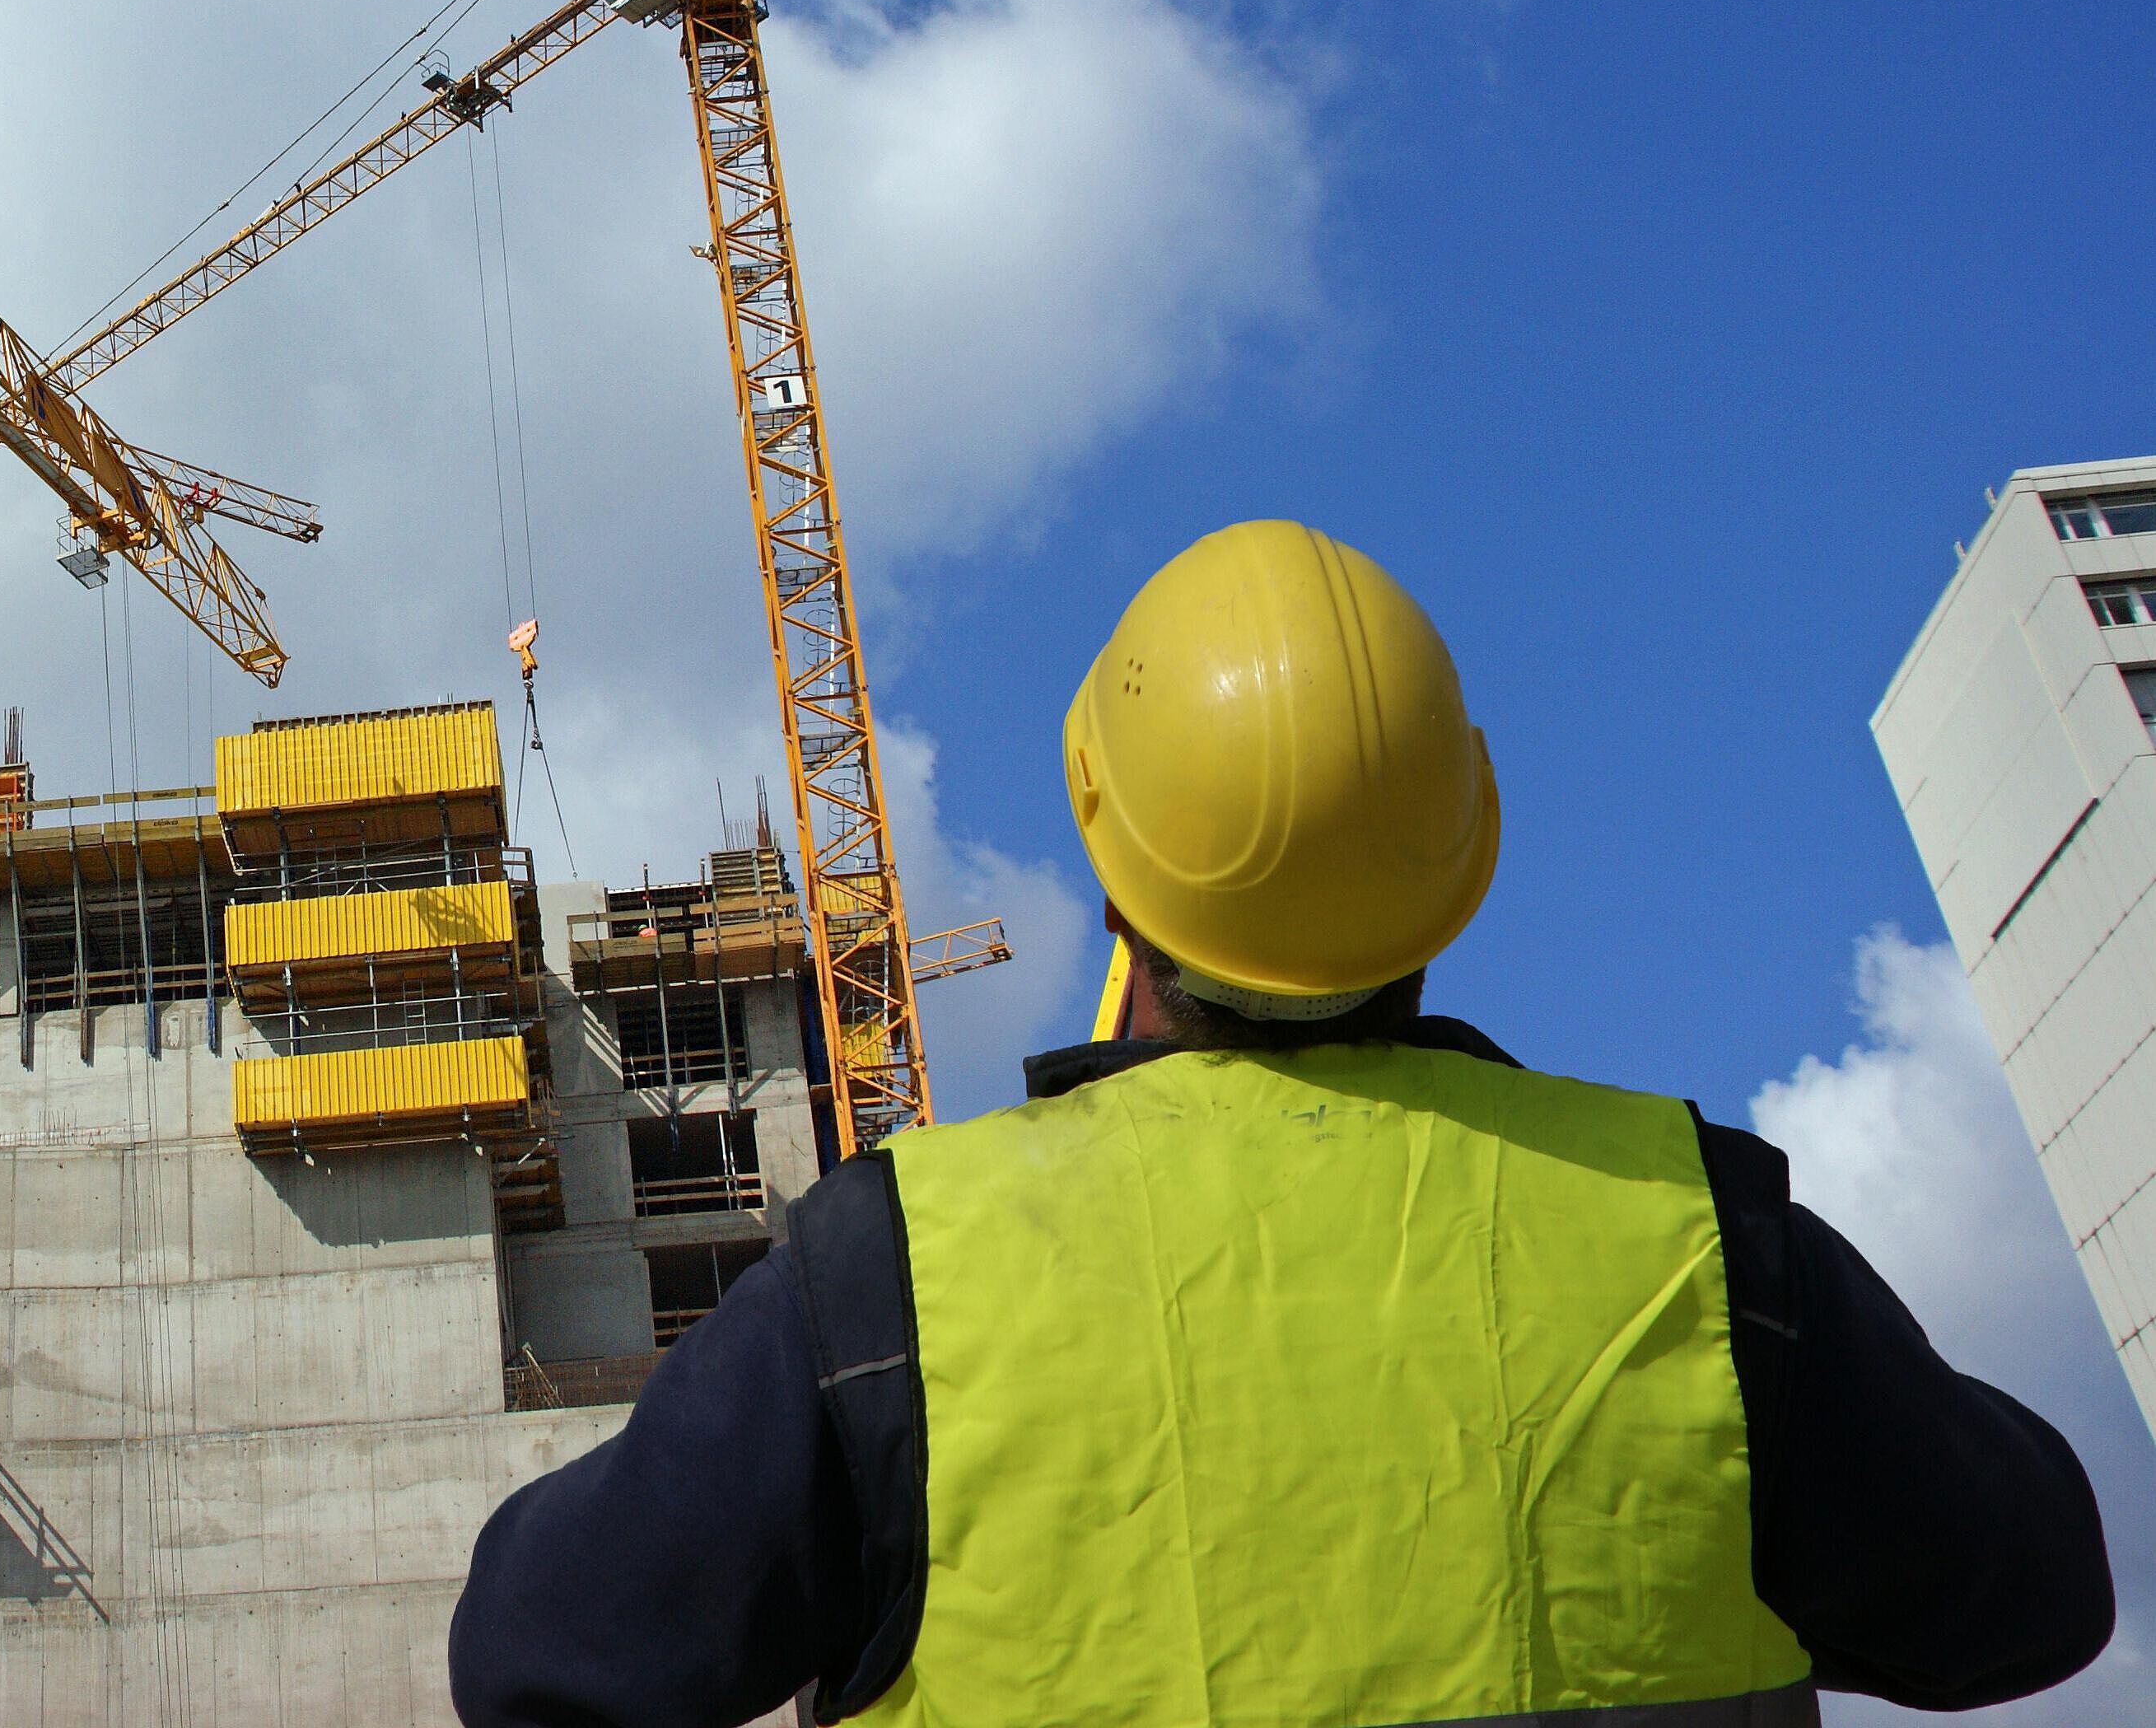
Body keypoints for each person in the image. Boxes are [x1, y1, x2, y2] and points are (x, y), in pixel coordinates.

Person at [451, 520, 2114, 1728]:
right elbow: (2028, 1595)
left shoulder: (898, 1276)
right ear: (1455, 850)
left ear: (1107, 849)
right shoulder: (1698, 1238)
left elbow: (540, 1648)